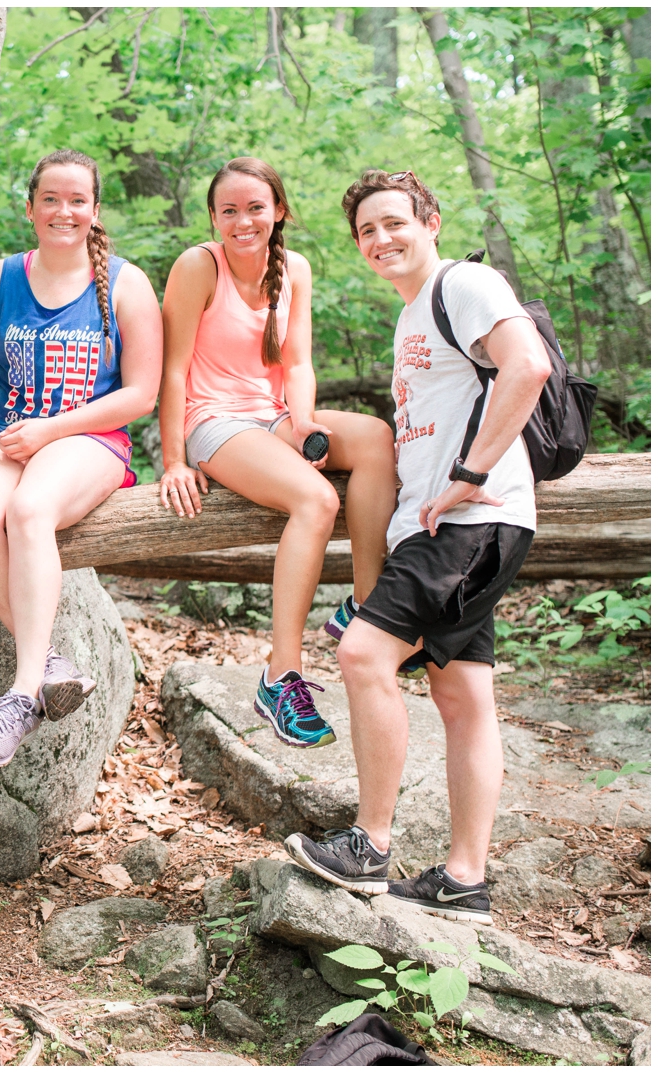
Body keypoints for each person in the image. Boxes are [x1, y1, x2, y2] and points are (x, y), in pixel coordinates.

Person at [285, 170, 552, 925]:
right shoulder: (412, 317)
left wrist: (469, 474)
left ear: (429, 219)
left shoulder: (464, 282)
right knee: (463, 696)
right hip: (452, 528)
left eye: (394, 222)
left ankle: (369, 845)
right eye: (367, 231)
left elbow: (526, 366)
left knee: (362, 653)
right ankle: (464, 879)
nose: (381, 240)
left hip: (466, 526)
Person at [158, 157, 397, 749]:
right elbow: (172, 368)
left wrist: (304, 420)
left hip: (275, 416)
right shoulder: (198, 266)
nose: (243, 220)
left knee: (374, 437)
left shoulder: (293, 268)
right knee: (315, 500)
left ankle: (367, 609)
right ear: (213, 218)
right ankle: (279, 675)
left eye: (256, 207)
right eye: (229, 210)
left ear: (279, 211)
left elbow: (298, 364)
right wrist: (172, 460)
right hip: (214, 420)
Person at [0, 149, 162, 768]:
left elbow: (140, 394)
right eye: (51, 199)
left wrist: (49, 431)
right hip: (4, 436)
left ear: (94, 211)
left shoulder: (124, 282)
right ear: (31, 207)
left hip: (90, 439)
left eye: (77, 200)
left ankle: (20, 696)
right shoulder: (1, 276)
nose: (63, 211)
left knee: (30, 509)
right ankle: (50, 662)